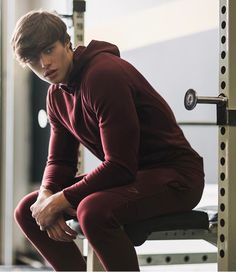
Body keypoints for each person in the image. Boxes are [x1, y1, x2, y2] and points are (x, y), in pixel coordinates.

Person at [11, 10, 205, 272]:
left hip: (177, 177)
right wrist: (47, 194)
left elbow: (120, 166)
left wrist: (59, 201)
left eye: (48, 50)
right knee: (29, 210)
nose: (44, 63)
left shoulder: (103, 75)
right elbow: (60, 161)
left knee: (93, 211)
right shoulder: (56, 95)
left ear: (66, 42)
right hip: (133, 177)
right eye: (34, 59)